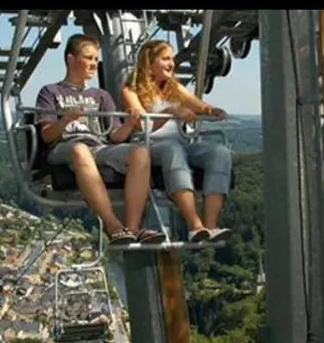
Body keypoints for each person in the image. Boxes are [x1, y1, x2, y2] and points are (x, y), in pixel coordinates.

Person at [35, 34, 166, 246]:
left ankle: (132, 228)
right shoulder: (51, 92)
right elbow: (47, 134)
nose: (94, 64)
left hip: (98, 147)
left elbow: (115, 136)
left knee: (140, 152)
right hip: (64, 147)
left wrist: (129, 124)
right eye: (88, 58)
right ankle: (112, 225)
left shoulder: (101, 96)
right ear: (71, 59)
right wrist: (65, 119)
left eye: (96, 59)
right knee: (79, 149)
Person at [120, 39, 232, 243]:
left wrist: (210, 110)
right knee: (173, 150)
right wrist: (169, 111)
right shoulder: (131, 90)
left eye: (171, 59)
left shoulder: (174, 88)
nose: (171, 64)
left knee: (219, 152)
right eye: (165, 59)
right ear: (149, 62)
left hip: (180, 143)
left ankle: (211, 225)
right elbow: (141, 126)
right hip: (148, 146)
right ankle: (194, 224)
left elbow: (197, 105)